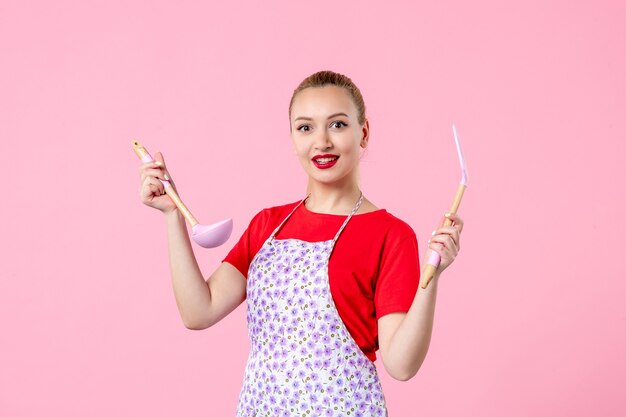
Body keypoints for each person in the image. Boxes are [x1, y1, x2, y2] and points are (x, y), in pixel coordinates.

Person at [138, 70, 464, 417]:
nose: (321, 142)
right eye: (305, 127)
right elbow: (198, 312)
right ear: (293, 137)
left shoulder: (389, 234)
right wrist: (172, 216)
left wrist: (434, 275)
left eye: (337, 125)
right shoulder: (268, 225)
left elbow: (401, 365)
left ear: (363, 132)